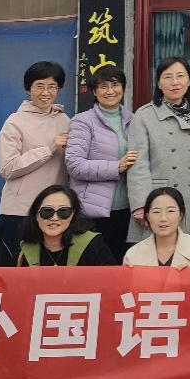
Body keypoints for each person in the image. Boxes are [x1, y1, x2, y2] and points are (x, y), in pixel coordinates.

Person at [126, 56, 190, 247]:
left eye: (180, 76)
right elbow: (138, 164)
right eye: (168, 77)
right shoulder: (144, 115)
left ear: (189, 81)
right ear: (159, 83)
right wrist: (141, 204)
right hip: (157, 201)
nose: (175, 82)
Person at [0, 61, 71, 266]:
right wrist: (48, 148)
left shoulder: (65, 121)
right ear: (28, 89)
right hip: (20, 213)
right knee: (13, 275)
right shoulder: (15, 122)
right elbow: (7, 168)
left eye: (52, 87)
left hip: (54, 214)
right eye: (39, 86)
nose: (46, 92)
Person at [65, 65, 136, 262]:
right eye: (103, 86)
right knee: (94, 269)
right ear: (94, 92)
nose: (110, 91)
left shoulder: (134, 120)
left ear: (123, 88)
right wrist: (116, 167)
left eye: (115, 85)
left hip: (127, 210)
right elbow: (74, 165)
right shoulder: (83, 121)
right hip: (93, 212)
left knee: (121, 266)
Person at [17, 184, 115, 266]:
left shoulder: (93, 245)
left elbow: (112, 279)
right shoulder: (24, 250)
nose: (54, 218)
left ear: (72, 215)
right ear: (36, 215)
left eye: (63, 211)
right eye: (47, 211)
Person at [123, 187, 190, 269]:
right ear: (148, 217)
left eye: (171, 211)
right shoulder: (133, 254)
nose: (163, 218)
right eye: (156, 212)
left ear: (180, 215)